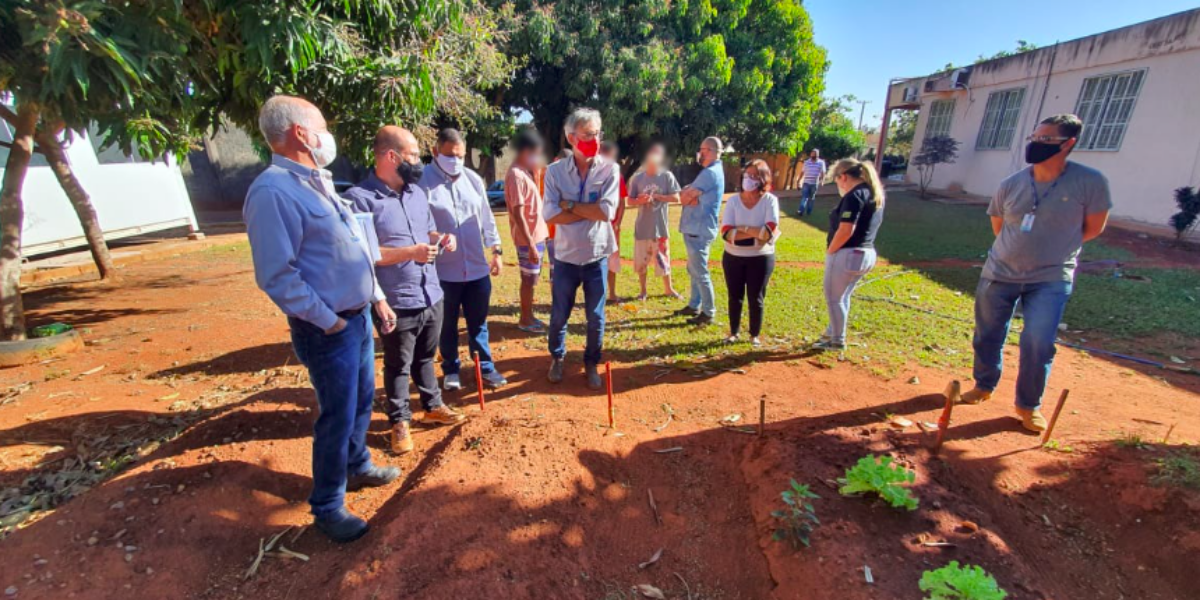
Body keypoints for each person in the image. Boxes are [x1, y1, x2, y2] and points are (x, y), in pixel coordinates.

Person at [243, 96, 399, 543]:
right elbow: (277, 275)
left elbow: (353, 249)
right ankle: (328, 506)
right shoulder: (273, 191)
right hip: (328, 328)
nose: (326, 136)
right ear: (300, 133)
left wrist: (376, 298)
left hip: (357, 317)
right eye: (322, 127)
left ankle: (358, 464)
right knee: (336, 414)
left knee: (361, 401)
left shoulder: (318, 182)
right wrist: (327, 320)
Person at [960, 114, 1111, 433]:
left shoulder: (1090, 182)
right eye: (1034, 137)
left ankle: (1028, 406)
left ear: (1068, 143)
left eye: (1045, 140)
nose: (1035, 144)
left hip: (1051, 278)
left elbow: (1093, 228)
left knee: (1038, 341)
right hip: (999, 273)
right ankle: (983, 385)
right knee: (987, 335)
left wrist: (1053, 248)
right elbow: (999, 227)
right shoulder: (1011, 183)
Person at [344, 126, 467, 457]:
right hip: (395, 300)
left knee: (427, 357)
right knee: (398, 364)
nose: (418, 160)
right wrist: (411, 252)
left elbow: (425, 230)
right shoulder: (360, 200)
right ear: (390, 156)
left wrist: (440, 238)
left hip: (430, 292)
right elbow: (365, 255)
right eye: (413, 154)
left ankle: (433, 405)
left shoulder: (415, 193)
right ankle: (399, 421)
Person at [420, 128, 508, 390]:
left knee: (478, 322)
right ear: (436, 152)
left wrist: (496, 250)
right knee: (446, 325)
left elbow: (486, 218)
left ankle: (485, 368)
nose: (456, 160)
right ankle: (450, 370)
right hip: (444, 272)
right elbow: (415, 225)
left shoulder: (472, 179)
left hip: (477, 268)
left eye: (460, 155)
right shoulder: (422, 182)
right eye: (450, 155)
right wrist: (438, 236)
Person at [543, 107, 620, 389]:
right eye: (588, 134)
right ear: (572, 137)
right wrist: (590, 210)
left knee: (596, 316)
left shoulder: (610, 169)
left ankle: (591, 362)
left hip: (596, 255)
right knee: (559, 314)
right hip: (564, 257)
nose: (595, 139)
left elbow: (607, 212)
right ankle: (557, 358)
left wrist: (571, 205)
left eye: (598, 133)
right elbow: (550, 215)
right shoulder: (554, 172)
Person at [815, 158, 886, 352]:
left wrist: (831, 251)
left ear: (843, 176)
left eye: (837, 180)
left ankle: (837, 339)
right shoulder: (873, 194)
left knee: (834, 298)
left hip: (848, 254)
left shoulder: (854, 196)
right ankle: (832, 331)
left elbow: (846, 230)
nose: (838, 185)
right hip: (866, 253)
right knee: (843, 296)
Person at [721, 159, 780, 346]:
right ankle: (734, 332)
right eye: (747, 174)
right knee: (734, 296)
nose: (749, 179)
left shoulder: (770, 201)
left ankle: (754, 334)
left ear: (763, 179)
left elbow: (768, 232)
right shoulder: (733, 201)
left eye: (754, 175)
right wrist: (755, 232)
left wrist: (742, 229)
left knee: (756, 297)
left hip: (760, 258)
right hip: (732, 257)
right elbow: (726, 233)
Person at [677, 136, 726, 326]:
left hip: (699, 229)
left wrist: (689, 195)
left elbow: (684, 197)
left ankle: (708, 312)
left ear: (712, 152)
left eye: (703, 150)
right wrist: (689, 195)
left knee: (700, 271)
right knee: (694, 269)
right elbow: (687, 195)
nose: (700, 153)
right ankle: (695, 304)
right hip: (699, 228)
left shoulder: (709, 173)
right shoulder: (712, 171)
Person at [505, 129, 550, 333]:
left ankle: (529, 315)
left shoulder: (526, 172)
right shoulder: (515, 175)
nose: (538, 157)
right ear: (525, 151)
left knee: (533, 279)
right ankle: (525, 319)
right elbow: (518, 212)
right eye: (535, 152)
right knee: (528, 280)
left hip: (537, 235)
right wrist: (530, 243)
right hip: (528, 238)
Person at [626, 143, 682, 300]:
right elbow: (629, 201)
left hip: (660, 228)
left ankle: (668, 289)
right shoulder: (637, 179)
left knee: (663, 260)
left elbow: (676, 197)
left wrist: (659, 197)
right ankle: (643, 291)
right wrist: (640, 200)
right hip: (642, 228)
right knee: (641, 262)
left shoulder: (667, 176)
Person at [600, 141, 627, 303]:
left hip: (611, 226)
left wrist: (618, 222)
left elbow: (622, 201)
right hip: (596, 226)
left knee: (612, 260)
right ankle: (598, 294)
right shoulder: (591, 173)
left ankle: (612, 293)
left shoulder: (617, 175)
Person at [798, 149, 826, 216]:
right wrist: (799, 180)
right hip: (806, 183)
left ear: (817, 155)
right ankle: (801, 211)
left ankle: (809, 212)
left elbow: (823, 172)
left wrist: (822, 181)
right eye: (812, 153)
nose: (813, 155)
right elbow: (802, 172)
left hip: (814, 183)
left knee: (811, 198)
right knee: (804, 197)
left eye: (815, 154)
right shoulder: (806, 162)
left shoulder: (821, 162)